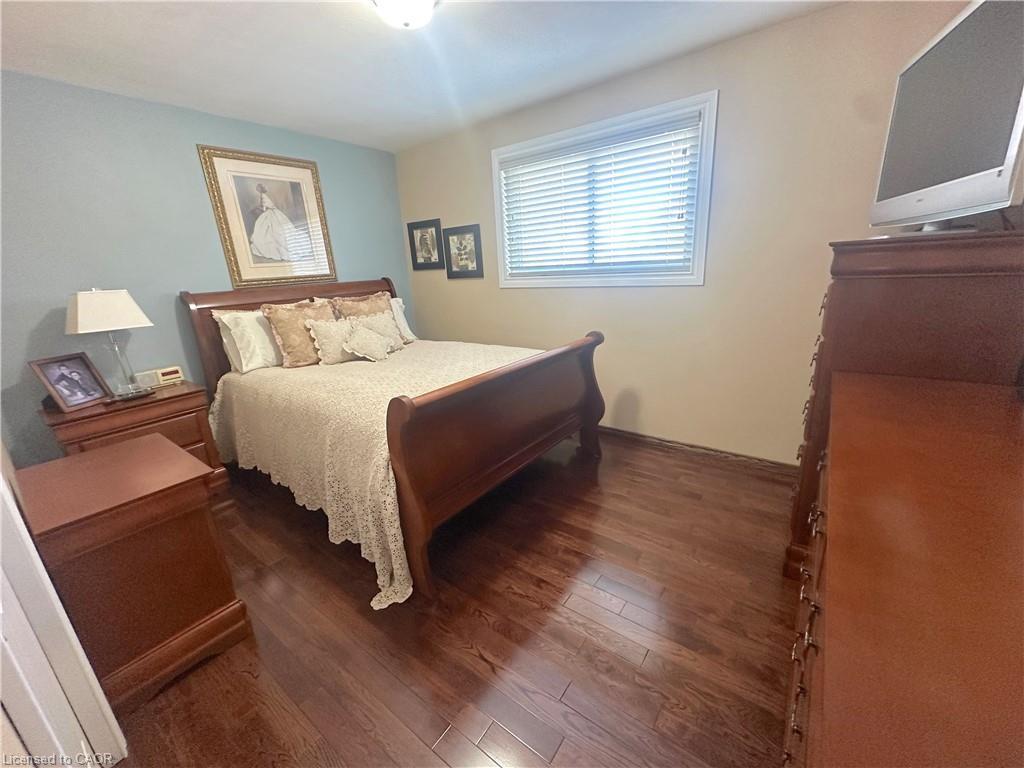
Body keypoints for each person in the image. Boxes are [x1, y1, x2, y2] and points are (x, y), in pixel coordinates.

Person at [249, 183, 307, 262]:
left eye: (258, 189)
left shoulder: (263, 196)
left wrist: (262, 209)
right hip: (269, 212)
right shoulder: (262, 195)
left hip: (270, 212)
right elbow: (263, 205)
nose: (258, 191)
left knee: (272, 228)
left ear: (260, 189)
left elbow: (268, 205)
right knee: (263, 226)